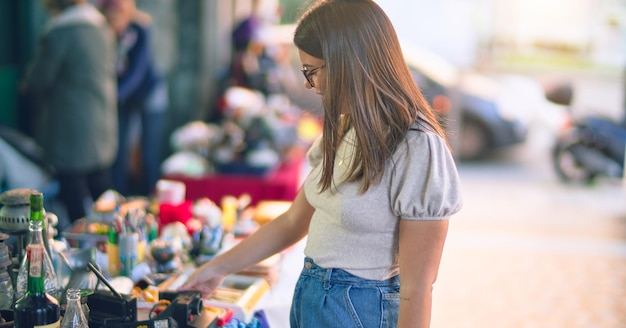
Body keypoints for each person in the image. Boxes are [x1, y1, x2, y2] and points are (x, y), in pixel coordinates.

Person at [181, 0, 463, 327]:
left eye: (311, 71)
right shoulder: (347, 126)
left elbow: (418, 286)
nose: (307, 84)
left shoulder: (418, 145)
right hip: (313, 298)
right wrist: (215, 269)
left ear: (349, 63)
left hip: (357, 309)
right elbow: (292, 222)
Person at [22, 0, 117, 225]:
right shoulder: (101, 27)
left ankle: (82, 245)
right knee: (101, 189)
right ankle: (110, 242)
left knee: (73, 192)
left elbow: (39, 79)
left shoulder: (60, 32)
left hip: (71, 125)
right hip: (103, 119)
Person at [98, 0, 168, 196]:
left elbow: (138, 70)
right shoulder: (105, 34)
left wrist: (114, 96)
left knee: (149, 153)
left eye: (118, 15)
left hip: (149, 93)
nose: (115, 22)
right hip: (123, 98)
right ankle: (118, 197)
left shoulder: (140, 29)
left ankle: (151, 198)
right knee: (118, 151)